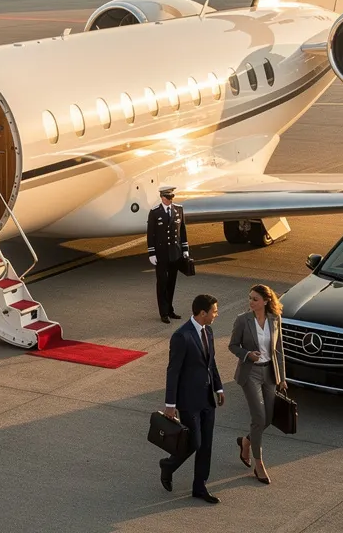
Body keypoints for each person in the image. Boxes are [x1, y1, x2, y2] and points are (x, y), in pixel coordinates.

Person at [160, 293, 225, 504]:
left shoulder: (209, 331)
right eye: (214, 311)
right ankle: (168, 465)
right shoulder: (182, 336)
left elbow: (211, 363)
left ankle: (200, 486)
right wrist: (170, 404)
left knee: (206, 444)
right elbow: (173, 371)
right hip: (188, 401)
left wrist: (219, 388)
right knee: (194, 442)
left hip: (207, 398)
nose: (216, 314)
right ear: (202, 312)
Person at [227, 284, 287, 484]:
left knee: (268, 418)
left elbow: (278, 350)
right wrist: (247, 355)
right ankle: (258, 463)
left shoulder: (275, 319)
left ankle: (245, 442)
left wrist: (282, 378)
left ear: (266, 301)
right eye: (250, 298)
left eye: (255, 299)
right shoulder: (242, 320)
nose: (250, 302)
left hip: (269, 372)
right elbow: (233, 345)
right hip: (250, 372)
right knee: (259, 417)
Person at [147, 186, 190, 323]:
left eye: (171, 198)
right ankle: (163, 312)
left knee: (171, 283)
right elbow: (150, 234)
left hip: (175, 254)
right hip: (161, 254)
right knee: (162, 283)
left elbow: (182, 230)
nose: (169, 201)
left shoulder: (178, 209)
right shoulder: (155, 212)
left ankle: (170, 310)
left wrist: (185, 249)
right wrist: (152, 252)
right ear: (162, 197)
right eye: (167, 198)